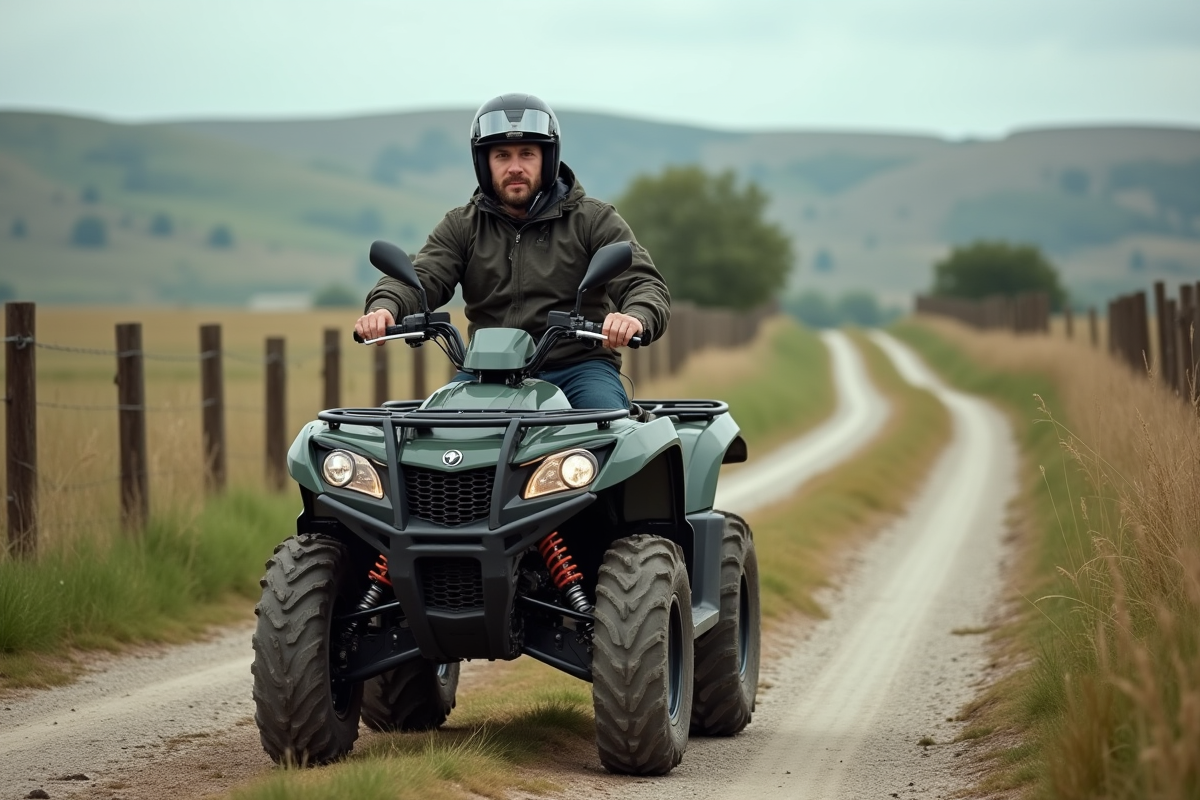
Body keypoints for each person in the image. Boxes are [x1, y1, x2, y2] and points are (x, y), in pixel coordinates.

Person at [355, 93, 670, 410]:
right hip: (486, 373)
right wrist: (386, 306)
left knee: (606, 427)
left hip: (578, 369)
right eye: (502, 156)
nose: (515, 167)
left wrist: (634, 317)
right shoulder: (462, 225)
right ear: (485, 163)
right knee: (434, 429)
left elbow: (642, 283)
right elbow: (422, 275)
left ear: (547, 160)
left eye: (527, 154)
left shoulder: (592, 220)